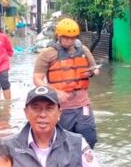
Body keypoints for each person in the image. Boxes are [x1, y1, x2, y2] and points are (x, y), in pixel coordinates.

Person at [33, 17, 100, 148]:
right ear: (59, 35)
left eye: (73, 38)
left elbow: (94, 69)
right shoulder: (47, 54)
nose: (70, 41)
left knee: (89, 140)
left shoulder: (83, 50)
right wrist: (55, 92)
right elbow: (37, 79)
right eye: (66, 38)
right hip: (62, 108)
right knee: (63, 144)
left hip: (82, 105)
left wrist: (91, 72)